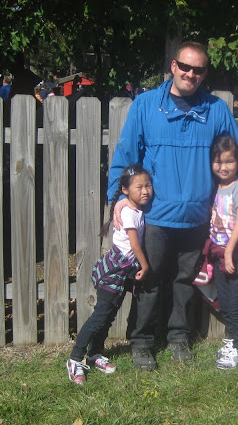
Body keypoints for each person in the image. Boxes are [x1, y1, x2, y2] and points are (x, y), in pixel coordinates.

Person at [107, 41, 238, 371]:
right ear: (173, 66)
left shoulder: (215, 109)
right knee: (148, 280)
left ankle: (178, 337)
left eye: (198, 69)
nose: (191, 74)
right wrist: (118, 197)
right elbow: (126, 156)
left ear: (205, 73)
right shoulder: (146, 106)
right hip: (156, 215)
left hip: (197, 217)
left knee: (185, 282)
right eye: (185, 67)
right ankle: (142, 341)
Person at [67, 164, 153, 385]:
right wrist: (145, 266)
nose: (145, 191)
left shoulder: (133, 209)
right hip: (114, 272)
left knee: (109, 315)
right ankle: (75, 358)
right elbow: (134, 244)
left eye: (148, 185)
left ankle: (95, 353)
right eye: (139, 187)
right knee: (100, 316)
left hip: (122, 271)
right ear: (125, 190)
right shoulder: (129, 213)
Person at [197, 135, 238, 370]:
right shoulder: (217, 187)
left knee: (236, 301)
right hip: (219, 253)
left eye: (229, 161)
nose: (223, 167)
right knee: (225, 301)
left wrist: (229, 252)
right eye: (218, 162)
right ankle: (235, 339)